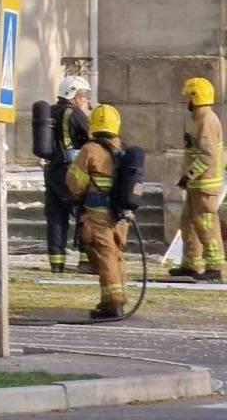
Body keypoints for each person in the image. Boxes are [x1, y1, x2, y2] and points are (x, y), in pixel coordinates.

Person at [65, 102, 128, 319]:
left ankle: (112, 303)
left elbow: (75, 183)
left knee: (105, 255)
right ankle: (118, 297)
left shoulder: (90, 150)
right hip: (120, 216)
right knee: (116, 254)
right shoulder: (121, 148)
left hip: (98, 214)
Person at [168, 76, 225, 282]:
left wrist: (189, 175)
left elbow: (207, 155)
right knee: (188, 223)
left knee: (206, 224)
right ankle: (190, 264)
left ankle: (215, 267)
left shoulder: (207, 119)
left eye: (188, 96)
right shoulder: (198, 118)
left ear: (196, 97)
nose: (186, 100)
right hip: (196, 183)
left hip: (205, 184)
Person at [43, 74, 91, 273]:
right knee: (85, 211)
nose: (85, 99)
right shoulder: (74, 113)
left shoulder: (51, 111)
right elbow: (92, 136)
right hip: (70, 170)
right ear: (74, 95)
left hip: (51, 171)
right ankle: (86, 260)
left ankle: (56, 263)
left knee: (56, 216)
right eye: (83, 95)